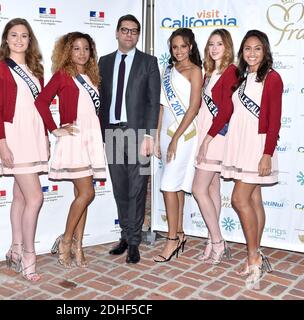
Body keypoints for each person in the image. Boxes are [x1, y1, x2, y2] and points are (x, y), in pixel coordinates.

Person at [35, 32, 106, 268]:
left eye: (86, 48)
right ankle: (66, 241)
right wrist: (54, 129)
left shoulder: (93, 76)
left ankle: (78, 245)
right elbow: (41, 101)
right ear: (68, 51)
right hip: (74, 138)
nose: (82, 53)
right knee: (87, 193)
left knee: (82, 196)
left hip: (91, 138)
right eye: (76, 48)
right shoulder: (63, 75)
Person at [221, 30, 282, 288]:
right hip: (241, 144)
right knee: (254, 199)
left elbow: (275, 120)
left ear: (265, 51)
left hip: (258, 147)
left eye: (257, 48)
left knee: (238, 199)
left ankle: (253, 256)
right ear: (242, 52)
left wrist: (267, 153)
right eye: (247, 49)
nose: (252, 53)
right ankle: (255, 255)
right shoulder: (243, 77)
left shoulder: (272, 78)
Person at [0, 18, 48, 281]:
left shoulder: (37, 69)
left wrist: (45, 135)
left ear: (29, 40)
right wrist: (1, 142)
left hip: (34, 135)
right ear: (6, 39)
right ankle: (28, 255)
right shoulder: (0, 68)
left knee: (22, 197)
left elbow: (41, 106)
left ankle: (14, 249)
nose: (19, 40)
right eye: (14, 35)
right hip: (14, 137)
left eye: (24, 35)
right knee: (36, 197)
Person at [99, 14, 161, 264]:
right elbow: (101, 100)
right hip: (112, 132)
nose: (129, 35)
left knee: (137, 189)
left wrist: (150, 135)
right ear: (116, 32)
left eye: (134, 31)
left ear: (138, 35)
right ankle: (125, 235)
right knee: (120, 188)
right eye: (124, 30)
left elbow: (152, 102)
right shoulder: (103, 62)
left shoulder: (149, 62)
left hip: (139, 134)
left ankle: (135, 242)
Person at [153, 28, 202, 263]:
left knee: (168, 186)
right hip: (166, 133)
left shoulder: (195, 71)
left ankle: (171, 239)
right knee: (176, 185)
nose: (179, 51)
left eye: (183, 46)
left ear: (191, 46)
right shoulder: (169, 70)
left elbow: (193, 108)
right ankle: (179, 233)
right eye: (175, 47)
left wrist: (174, 138)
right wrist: (158, 137)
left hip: (184, 134)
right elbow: (162, 107)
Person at [192, 29, 237, 264]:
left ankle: (218, 241)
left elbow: (227, 110)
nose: (214, 48)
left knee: (198, 189)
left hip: (216, 137)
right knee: (211, 190)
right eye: (211, 44)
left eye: (219, 44)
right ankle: (212, 239)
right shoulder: (210, 72)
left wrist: (208, 139)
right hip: (206, 134)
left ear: (227, 46)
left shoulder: (230, 72)